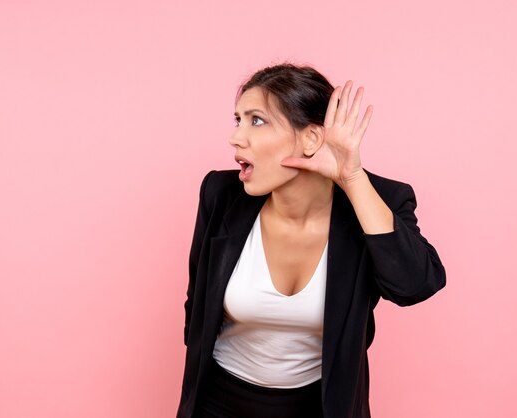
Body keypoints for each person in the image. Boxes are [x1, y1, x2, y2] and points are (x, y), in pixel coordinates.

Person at [176, 63, 446, 418]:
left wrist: (351, 178)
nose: (236, 137)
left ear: (311, 139)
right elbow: (197, 308)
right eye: (237, 120)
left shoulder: (378, 201)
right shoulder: (221, 195)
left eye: (256, 120)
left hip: (321, 406)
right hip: (219, 402)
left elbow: (414, 285)